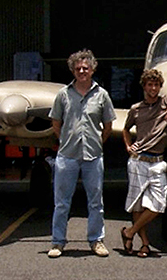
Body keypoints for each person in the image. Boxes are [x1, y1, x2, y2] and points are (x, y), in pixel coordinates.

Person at [120, 69, 167, 258]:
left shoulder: (165, 102)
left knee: (158, 204)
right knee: (138, 206)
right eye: (149, 85)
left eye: (156, 85)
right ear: (144, 86)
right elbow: (125, 128)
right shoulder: (136, 109)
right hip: (138, 160)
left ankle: (129, 232)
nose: (153, 88)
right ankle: (144, 244)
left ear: (160, 86)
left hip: (157, 162)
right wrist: (128, 145)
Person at [47, 49, 116, 258]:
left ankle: (96, 241)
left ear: (93, 69)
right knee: (61, 202)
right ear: (72, 70)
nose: (82, 71)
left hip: (93, 156)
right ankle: (58, 242)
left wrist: (96, 143)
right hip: (67, 155)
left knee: (96, 201)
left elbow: (108, 126)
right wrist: (66, 141)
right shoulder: (63, 94)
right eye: (78, 68)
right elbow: (56, 123)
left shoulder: (102, 95)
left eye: (86, 68)